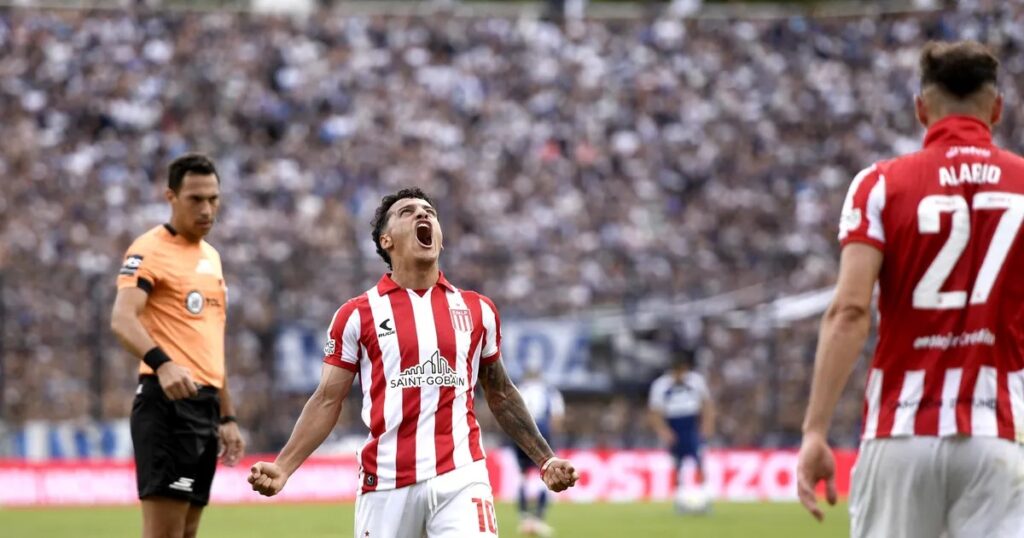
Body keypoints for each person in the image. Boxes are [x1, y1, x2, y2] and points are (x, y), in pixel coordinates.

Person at [248, 187, 579, 537]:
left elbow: (501, 393)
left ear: (440, 238)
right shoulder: (357, 315)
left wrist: (545, 459)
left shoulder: (477, 310)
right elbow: (327, 399)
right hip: (386, 484)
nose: (423, 214)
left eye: (430, 212)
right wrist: (283, 466)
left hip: (462, 477)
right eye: (407, 211)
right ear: (386, 240)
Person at [796, 40, 1024, 537]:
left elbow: (850, 311)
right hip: (999, 433)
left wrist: (815, 429)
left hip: (900, 429)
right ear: (997, 110)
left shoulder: (880, 185)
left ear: (922, 110)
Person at [110, 153, 245, 538]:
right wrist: (163, 364)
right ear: (170, 196)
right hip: (167, 405)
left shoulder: (211, 257)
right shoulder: (149, 249)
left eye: (213, 199)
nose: (207, 209)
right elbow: (122, 318)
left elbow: (211, 343)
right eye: (195, 199)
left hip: (206, 407)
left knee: (186, 532)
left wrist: (227, 416)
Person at [648, 343, 715, 513]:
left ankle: (705, 499)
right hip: (674, 425)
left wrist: (706, 425)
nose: (680, 374)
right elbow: (655, 412)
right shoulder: (660, 386)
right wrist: (664, 431)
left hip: (691, 424)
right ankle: (680, 501)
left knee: (699, 462)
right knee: (677, 465)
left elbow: (706, 404)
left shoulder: (696, 381)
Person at [511, 367, 565, 537]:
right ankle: (539, 519)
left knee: (523, 475)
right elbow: (556, 417)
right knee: (545, 473)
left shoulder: (519, 388)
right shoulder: (550, 391)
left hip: (521, 431)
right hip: (542, 431)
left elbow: (511, 412)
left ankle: (524, 517)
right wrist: (552, 439)